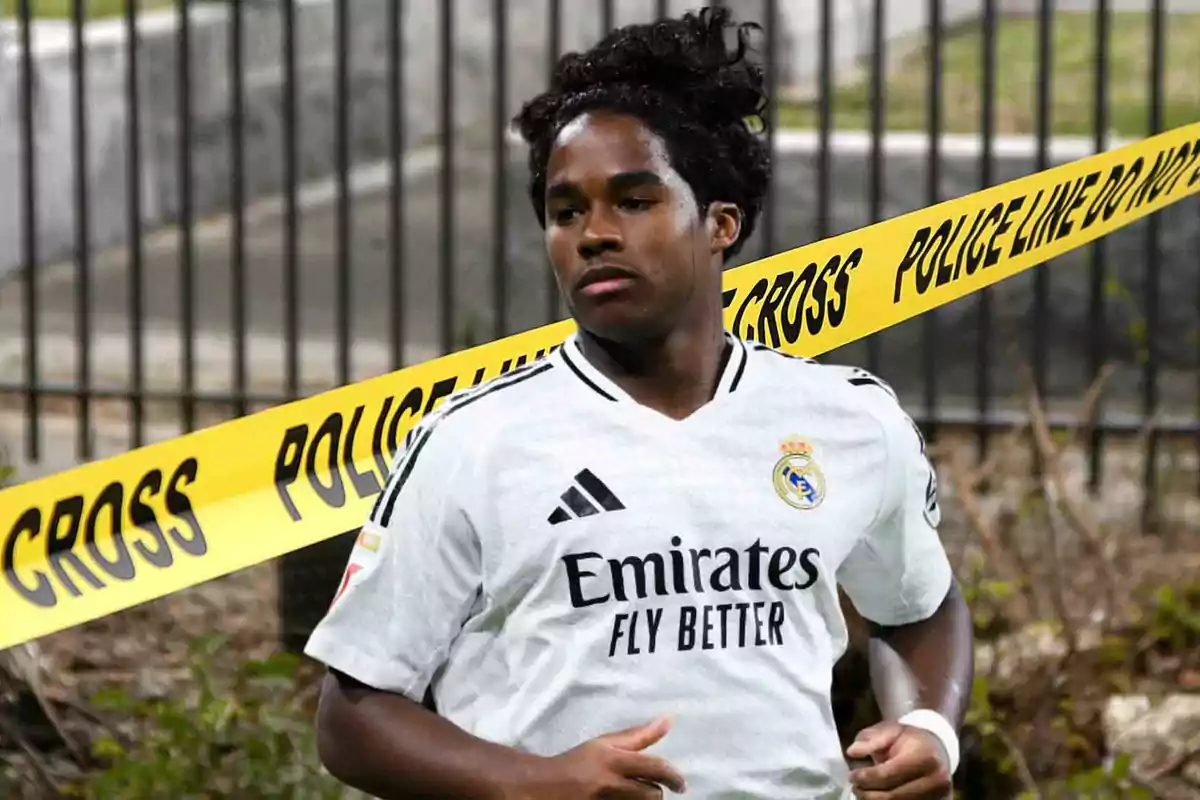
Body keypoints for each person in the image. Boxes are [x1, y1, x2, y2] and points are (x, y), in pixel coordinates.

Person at [303, 6, 974, 799]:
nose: (593, 234)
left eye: (632, 200)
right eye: (566, 211)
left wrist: (929, 726)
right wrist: (532, 782)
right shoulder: (474, 441)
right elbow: (352, 718)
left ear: (719, 222)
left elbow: (919, 607)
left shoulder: (848, 422)